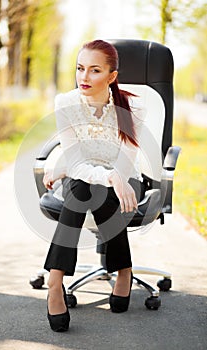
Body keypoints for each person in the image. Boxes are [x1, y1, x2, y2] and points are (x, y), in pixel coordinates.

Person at [43, 39, 146, 332]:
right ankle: (56, 282)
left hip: (126, 179)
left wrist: (114, 177)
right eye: (80, 68)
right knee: (82, 189)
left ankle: (120, 270)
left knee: (96, 192)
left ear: (112, 76)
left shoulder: (134, 106)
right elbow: (76, 163)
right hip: (85, 177)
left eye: (94, 70)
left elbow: (124, 166)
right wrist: (100, 175)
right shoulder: (65, 103)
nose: (84, 77)